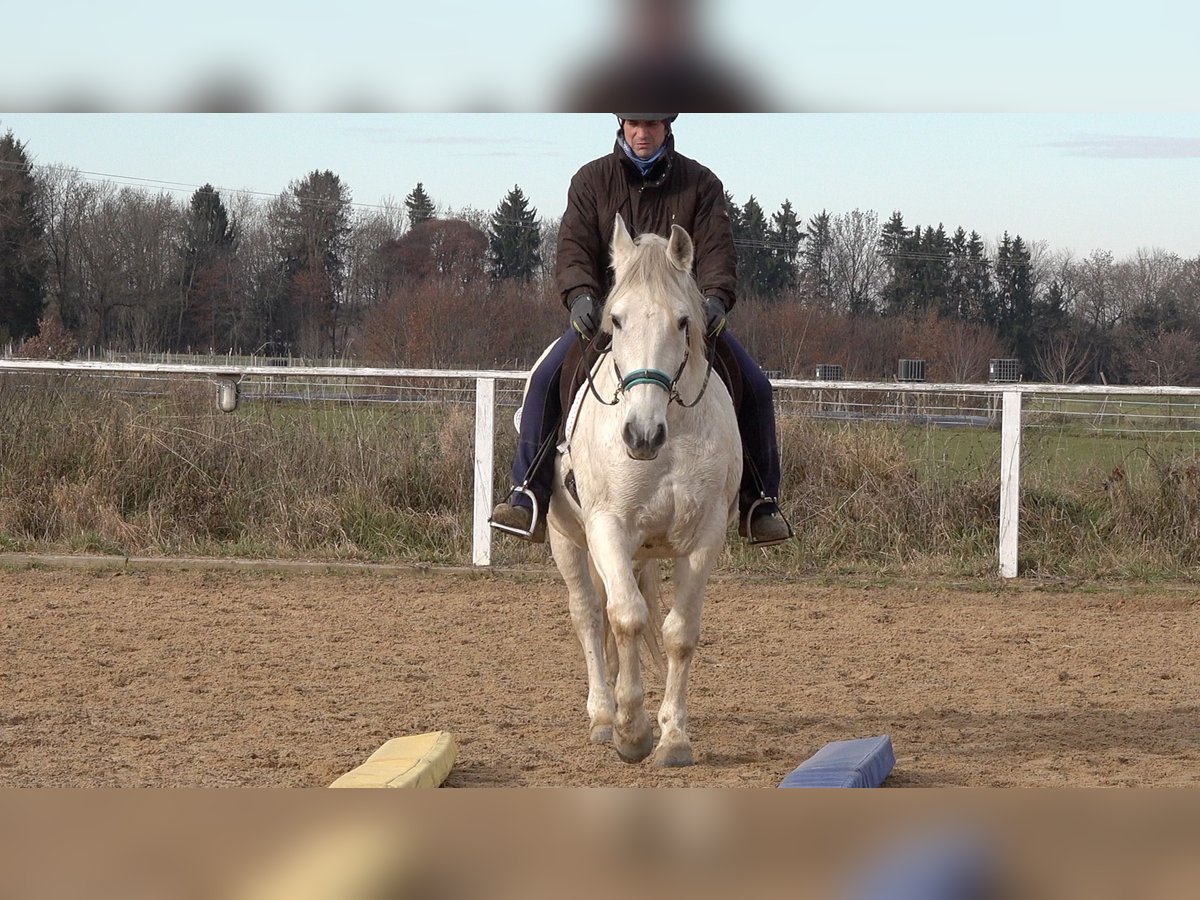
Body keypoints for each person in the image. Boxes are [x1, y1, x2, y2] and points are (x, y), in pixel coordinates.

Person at [490, 113, 791, 546]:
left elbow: (716, 251)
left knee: (758, 388)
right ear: (621, 124)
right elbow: (573, 246)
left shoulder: (701, 184)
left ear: (667, 127)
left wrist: (716, 300)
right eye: (634, 123)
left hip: (680, 320)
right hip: (610, 320)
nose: (642, 132)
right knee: (543, 380)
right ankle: (526, 494)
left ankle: (760, 501)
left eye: (651, 124)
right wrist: (579, 296)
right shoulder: (591, 180)